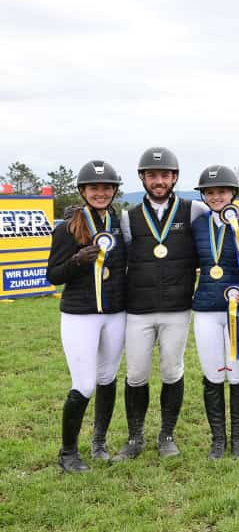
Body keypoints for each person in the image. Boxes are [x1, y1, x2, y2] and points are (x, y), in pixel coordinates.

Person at [115, 147, 239, 460]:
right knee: (136, 373)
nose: (158, 181)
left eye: (164, 175)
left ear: (174, 177)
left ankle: (167, 435)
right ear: (143, 178)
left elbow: (226, 217)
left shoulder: (194, 210)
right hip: (138, 308)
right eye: (152, 176)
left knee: (171, 369)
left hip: (178, 307)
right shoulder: (129, 217)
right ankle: (135, 438)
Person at [47, 160, 127, 472]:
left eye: (106, 187)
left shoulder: (119, 223)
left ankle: (99, 442)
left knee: (107, 378)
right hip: (81, 315)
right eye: (94, 188)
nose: (100, 192)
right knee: (84, 383)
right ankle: (68, 453)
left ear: (114, 191)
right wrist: (78, 260)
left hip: (114, 312)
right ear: (83, 191)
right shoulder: (68, 229)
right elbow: (53, 275)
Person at [191, 165, 239, 459]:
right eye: (210, 192)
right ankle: (217, 439)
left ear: (232, 193)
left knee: (237, 372)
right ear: (204, 196)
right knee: (212, 374)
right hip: (208, 309)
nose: (217, 196)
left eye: (222, 191)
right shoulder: (198, 224)